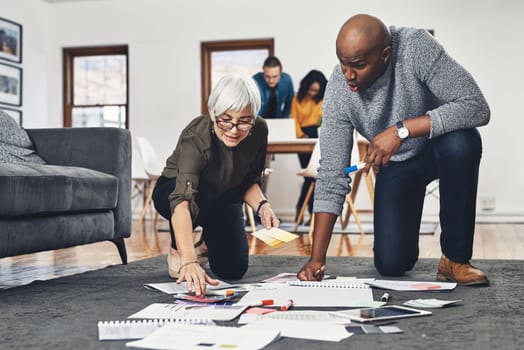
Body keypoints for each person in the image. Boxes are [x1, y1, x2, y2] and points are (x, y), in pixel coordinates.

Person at [297, 14, 490, 286]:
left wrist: (402, 129)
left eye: (358, 65)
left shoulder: (415, 47)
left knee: (463, 143)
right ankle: (403, 249)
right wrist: (317, 258)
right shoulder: (339, 90)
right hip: (397, 163)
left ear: (385, 55)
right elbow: (332, 173)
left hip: (438, 145)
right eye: (342, 63)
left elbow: (476, 106)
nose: (348, 75)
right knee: (391, 264)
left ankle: (455, 260)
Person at [152, 74, 280, 296]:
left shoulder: (259, 130)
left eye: (243, 121)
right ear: (212, 112)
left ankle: (205, 244)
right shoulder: (195, 136)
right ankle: (179, 247)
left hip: (224, 195)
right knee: (197, 200)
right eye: (226, 119)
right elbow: (182, 201)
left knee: (233, 269)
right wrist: (189, 261)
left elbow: (248, 181)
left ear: (254, 117)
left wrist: (263, 206)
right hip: (176, 192)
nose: (233, 129)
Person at [290, 69, 327, 224]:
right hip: (302, 136)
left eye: (316, 91)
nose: (313, 93)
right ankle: (305, 209)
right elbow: (294, 119)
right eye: (311, 89)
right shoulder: (297, 98)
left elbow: (325, 119)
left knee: (317, 176)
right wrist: (300, 134)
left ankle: (309, 211)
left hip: (318, 136)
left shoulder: (323, 99)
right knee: (310, 175)